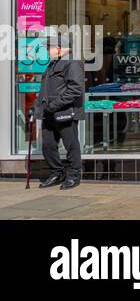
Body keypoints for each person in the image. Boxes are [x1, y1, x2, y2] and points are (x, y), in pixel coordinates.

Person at [34, 37, 85, 190]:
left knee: (71, 145)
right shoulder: (53, 64)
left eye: (49, 47)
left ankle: (73, 175)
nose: (47, 51)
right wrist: (38, 107)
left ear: (60, 47)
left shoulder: (72, 63)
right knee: (48, 145)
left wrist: (54, 105)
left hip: (65, 111)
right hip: (49, 112)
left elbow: (75, 89)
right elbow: (47, 89)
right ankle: (56, 173)